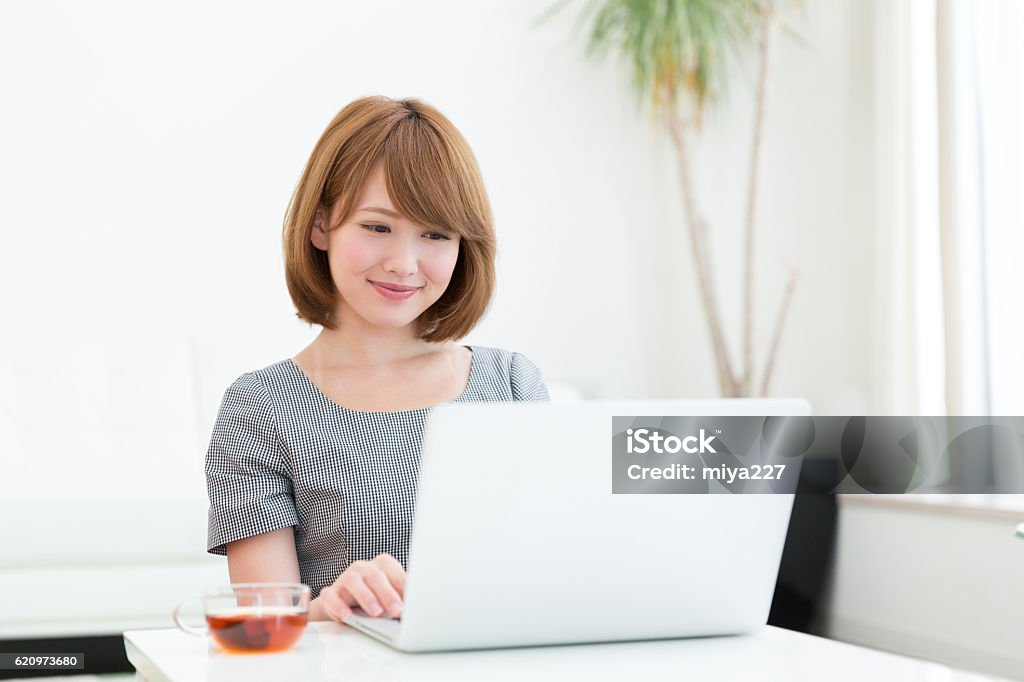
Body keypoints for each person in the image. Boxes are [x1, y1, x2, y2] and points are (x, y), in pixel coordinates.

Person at [204, 96, 549, 626]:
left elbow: (553, 567)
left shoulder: (512, 384)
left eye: (435, 235)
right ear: (321, 226)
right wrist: (335, 604)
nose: (404, 264)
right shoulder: (259, 408)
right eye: (377, 227)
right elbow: (265, 626)